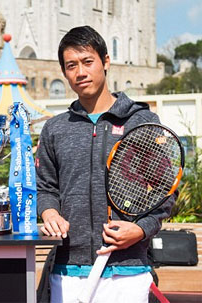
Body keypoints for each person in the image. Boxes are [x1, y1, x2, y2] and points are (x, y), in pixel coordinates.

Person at [35, 26, 175, 303]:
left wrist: (140, 229)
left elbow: (165, 191)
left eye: (88, 62)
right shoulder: (55, 129)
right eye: (71, 65)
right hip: (67, 271)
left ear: (106, 62)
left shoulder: (141, 121)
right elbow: (45, 188)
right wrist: (49, 213)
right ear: (64, 72)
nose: (81, 73)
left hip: (128, 272)